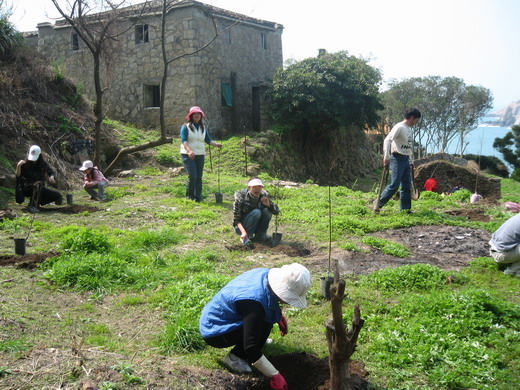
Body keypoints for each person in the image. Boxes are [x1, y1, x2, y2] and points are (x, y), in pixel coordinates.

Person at [199, 263, 311, 390]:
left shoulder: (264, 275)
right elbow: (251, 347)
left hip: (227, 314)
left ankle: (252, 338)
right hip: (215, 329)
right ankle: (235, 357)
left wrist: (277, 315)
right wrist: (274, 374)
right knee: (261, 326)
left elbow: (266, 300)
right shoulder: (254, 304)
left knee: (264, 319)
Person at [374, 108, 421, 213]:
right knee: (394, 184)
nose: (416, 122)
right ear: (412, 117)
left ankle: (405, 209)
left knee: (406, 186)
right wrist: (386, 157)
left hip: (406, 159)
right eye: (416, 120)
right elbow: (388, 140)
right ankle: (378, 203)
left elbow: (409, 147)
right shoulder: (399, 127)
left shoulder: (409, 129)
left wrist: (411, 160)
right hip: (397, 158)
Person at [180, 106, 222, 202]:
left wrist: (216, 144)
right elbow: (184, 140)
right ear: (191, 116)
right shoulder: (185, 127)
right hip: (188, 155)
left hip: (200, 155)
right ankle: (190, 196)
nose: (197, 115)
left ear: (201, 116)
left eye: (199, 114)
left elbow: (207, 139)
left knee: (199, 177)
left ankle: (198, 197)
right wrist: (189, 151)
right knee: (193, 176)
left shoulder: (203, 127)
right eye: (195, 114)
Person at [15, 145, 62, 213]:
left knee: (57, 195)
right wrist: (18, 166)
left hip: (40, 189)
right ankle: (32, 205)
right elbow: (18, 176)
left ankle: (37, 202)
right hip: (27, 189)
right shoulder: (25, 163)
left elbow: (51, 172)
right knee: (38, 184)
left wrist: (51, 177)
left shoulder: (42, 164)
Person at [233, 177, 280, 245]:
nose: (257, 189)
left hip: (257, 224)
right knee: (256, 212)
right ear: (249, 188)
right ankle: (248, 236)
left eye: (259, 186)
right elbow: (236, 219)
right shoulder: (241, 197)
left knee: (267, 211)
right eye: (254, 187)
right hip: (242, 226)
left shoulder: (264, 195)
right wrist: (243, 232)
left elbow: (277, 212)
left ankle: (261, 235)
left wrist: (268, 205)